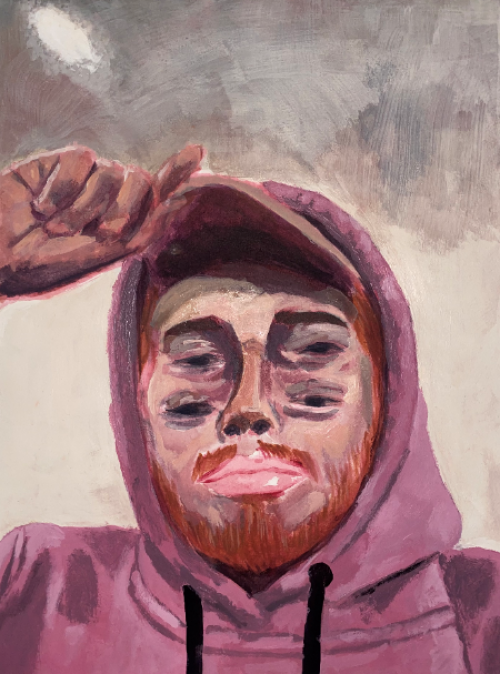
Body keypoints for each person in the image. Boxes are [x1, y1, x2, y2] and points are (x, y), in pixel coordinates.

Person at [0, 144, 499, 674]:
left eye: (314, 353)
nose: (249, 408)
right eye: (197, 360)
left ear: (389, 401)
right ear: (136, 399)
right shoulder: (38, 589)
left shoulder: (480, 615)